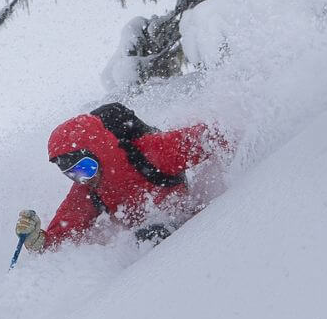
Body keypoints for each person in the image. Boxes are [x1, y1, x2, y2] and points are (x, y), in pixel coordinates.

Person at [14, 103, 229, 251]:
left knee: (151, 234)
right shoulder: (89, 190)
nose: (83, 179)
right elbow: (62, 235)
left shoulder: (149, 153)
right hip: (150, 248)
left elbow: (210, 138)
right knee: (145, 236)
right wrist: (37, 240)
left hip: (192, 228)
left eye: (86, 168)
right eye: (73, 174)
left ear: (100, 151)